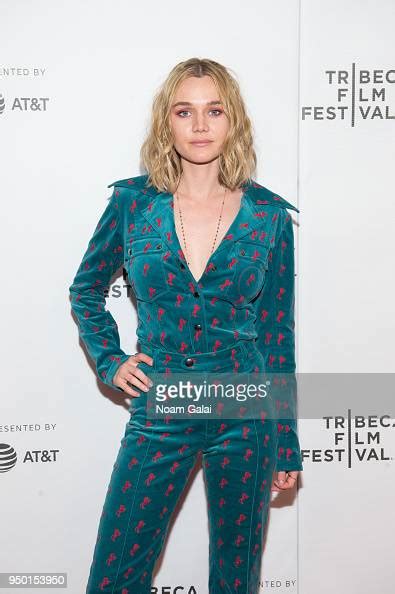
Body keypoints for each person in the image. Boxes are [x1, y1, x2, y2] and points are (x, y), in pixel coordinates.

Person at [69, 57, 303, 594]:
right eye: (185, 111)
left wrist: (286, 441)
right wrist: (110, 359)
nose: (200, 126)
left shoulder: (269, 217)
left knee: (234, 577)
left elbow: (276, 336)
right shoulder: (132, 204)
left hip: (245, 408)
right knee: (115, 576)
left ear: (233, 121)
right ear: (166, 122)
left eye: (214, 110)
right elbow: (85, 291)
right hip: (163, 402)